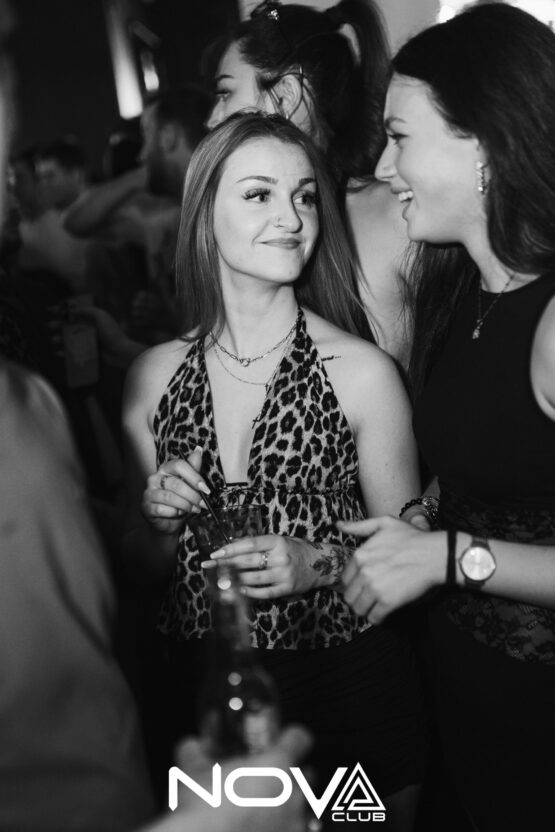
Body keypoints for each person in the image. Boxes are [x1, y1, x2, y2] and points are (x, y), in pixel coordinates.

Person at [123, 111, 427, 830]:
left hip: (345, 690)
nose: (290, 218)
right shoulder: (152, 378)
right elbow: (135, 577)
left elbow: (412, 566)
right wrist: (158, 523)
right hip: (205, 705)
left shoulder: (360, 373)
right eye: (259, 194)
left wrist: (317, 564)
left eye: (304, 196)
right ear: (205, 214)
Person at [340, 5, 555, 830]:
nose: (382, 166)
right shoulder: (463, 291)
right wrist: (420, 522)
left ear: (484, 146)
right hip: (470, 705)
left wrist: (447, 556)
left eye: (399, 138)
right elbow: (492, 469)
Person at [205, 0, 411, 365]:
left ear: (286, 95)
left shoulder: (395, 216)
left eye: (225, 93)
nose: (213, 118)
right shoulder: (237, 227)